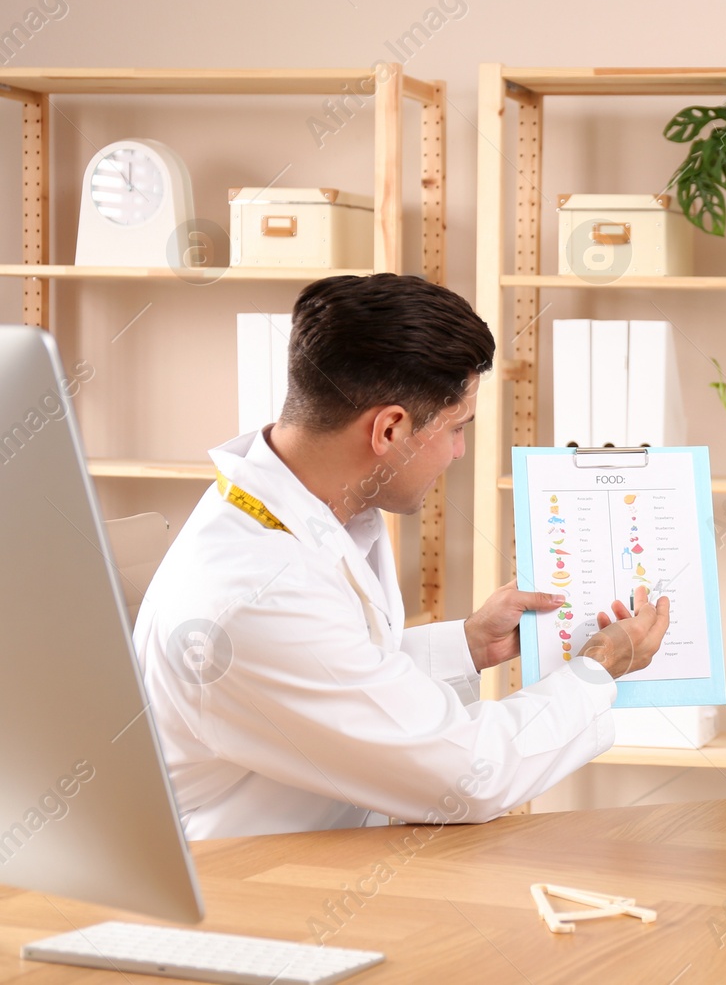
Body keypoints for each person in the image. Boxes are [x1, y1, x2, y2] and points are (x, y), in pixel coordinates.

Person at [132, 273, 668, 839]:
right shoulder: (255, 592)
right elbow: (464, 778)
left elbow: (333, 672)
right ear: (389, 428)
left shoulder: (285, 508)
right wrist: (597, 668)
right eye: (457, 429)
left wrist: (466, 645)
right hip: (253, 891)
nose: (459, 452)